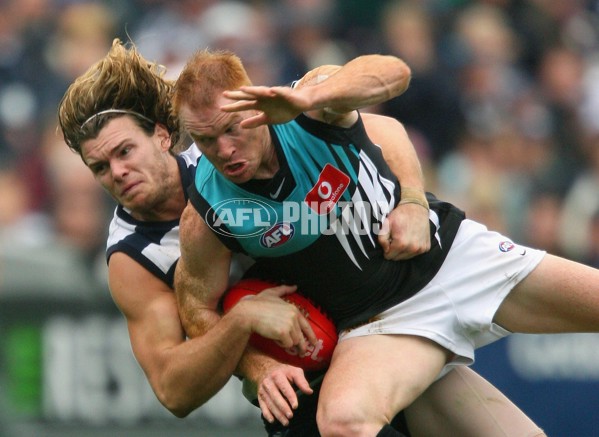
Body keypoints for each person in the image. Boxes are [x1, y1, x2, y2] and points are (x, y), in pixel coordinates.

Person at [57, 39, 544, 437]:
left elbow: (380, 133)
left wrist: (412, 200)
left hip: (384, 321)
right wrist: (246, 333)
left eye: (124, 151)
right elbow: (172, 389)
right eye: (99, 166)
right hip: (301, 386)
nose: (117, 172)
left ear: (164, 136)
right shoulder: (132, 260)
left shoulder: (222, 146)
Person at [171, 46, 599, 437]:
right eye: (205, 140)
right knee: (343, 423)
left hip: (454, 257)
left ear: (255, 106)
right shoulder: (209, 208)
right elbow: (195, 306)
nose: (223, 150)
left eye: (231, 128)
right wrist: (258, 368)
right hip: (379, 323)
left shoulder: (309, 109)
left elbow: (392, 74)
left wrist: (310, 99)